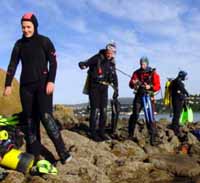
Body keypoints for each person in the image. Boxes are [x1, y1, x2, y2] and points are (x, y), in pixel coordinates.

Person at [3, 13, 71, 164]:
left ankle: (63, 152)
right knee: (30, 120)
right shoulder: (19, 44)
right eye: (23, 27)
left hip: (42, 85)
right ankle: (34, 155)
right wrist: (7, 84)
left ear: (34, 26)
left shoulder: (44, 41)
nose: (26, 30)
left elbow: (53, 63)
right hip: (26, 87)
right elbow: (12, 64)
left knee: (46, 118)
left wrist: (51, 81)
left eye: (28, 27)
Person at [78, 43, 118, 141]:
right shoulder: (97, 58)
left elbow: (114, 77)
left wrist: (116, 89)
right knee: (94, 110)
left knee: (104, 111)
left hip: (104, 88)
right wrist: (82, 65)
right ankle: (93, 132)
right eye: (108, 52)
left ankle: (102, 132)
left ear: (114, 53)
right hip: (94, 87)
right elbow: (85, 63)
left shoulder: (112, 63)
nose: (109, 54)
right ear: (106, 51)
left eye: (112, 53)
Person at [128, 57, 160, 145]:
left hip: (148, 97)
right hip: (138, 96)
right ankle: (130, 134)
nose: (142, 65)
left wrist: (150, 87)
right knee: (135, 114)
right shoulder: (136, 72)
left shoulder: (152, 73)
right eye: (141, 64)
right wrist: (133, 83)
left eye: (144, 64)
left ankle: (153, 137)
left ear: (147, 64)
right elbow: (130, 84)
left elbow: (158, 85)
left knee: (150, 117)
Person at [170, 70, 189, 137]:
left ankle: (174, 126)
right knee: (177, 114)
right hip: (177, 100)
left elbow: (180, 89)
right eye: (185, 76)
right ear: (182, 76)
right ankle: (175, 129)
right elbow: (182, 89)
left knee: (176, 114)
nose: (185, 77)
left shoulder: (174, 81)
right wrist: (187, 94)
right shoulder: (178, 81)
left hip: (175, 99)